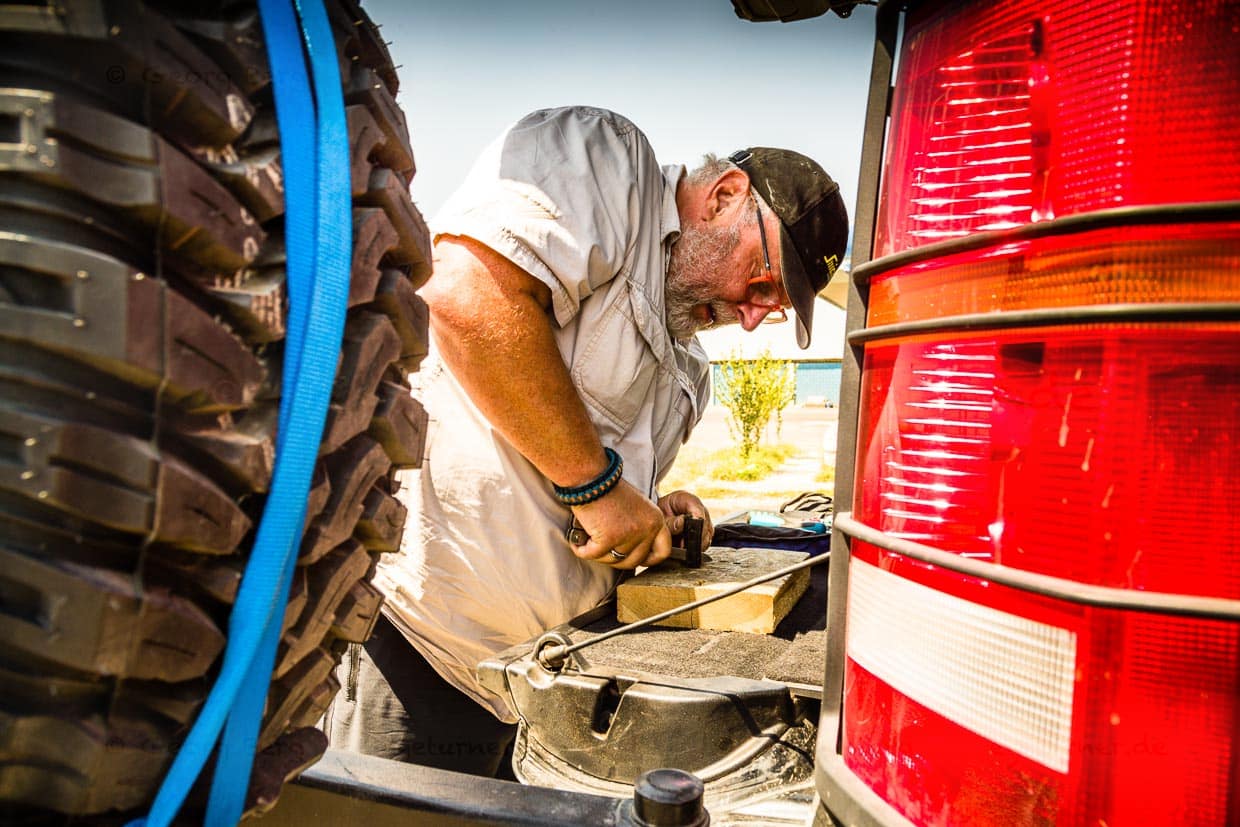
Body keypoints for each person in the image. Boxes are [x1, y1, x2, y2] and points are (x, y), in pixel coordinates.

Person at [327, 106, 848, 777]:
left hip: (537, 690)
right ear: (723, 198)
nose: (751, 318)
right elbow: (464, 294)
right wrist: (598, 488)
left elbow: (587, 492)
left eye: (770, 306)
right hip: (418, 649)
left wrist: (654, 512)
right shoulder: (612, 166)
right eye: (761, 279)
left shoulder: (688, 369)